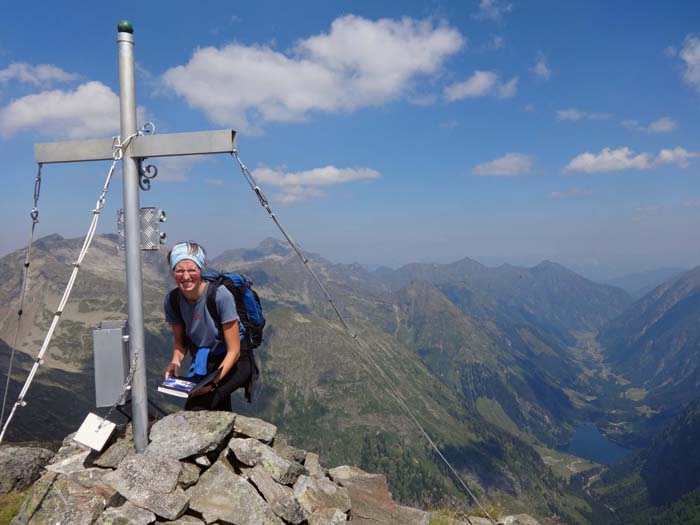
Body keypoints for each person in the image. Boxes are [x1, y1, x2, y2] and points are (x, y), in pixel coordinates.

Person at [163, 241, 252, 411]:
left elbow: (234, 350)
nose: (186, 276)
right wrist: (175, 362)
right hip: (208, 361)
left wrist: (211, 384)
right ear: (173, 272)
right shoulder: (172, 300)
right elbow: (180, 344)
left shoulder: (220, 296)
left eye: (192, 270)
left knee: (201, 406)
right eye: (179, 270)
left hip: (236, 360)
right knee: (209, 407)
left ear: (201, 270)